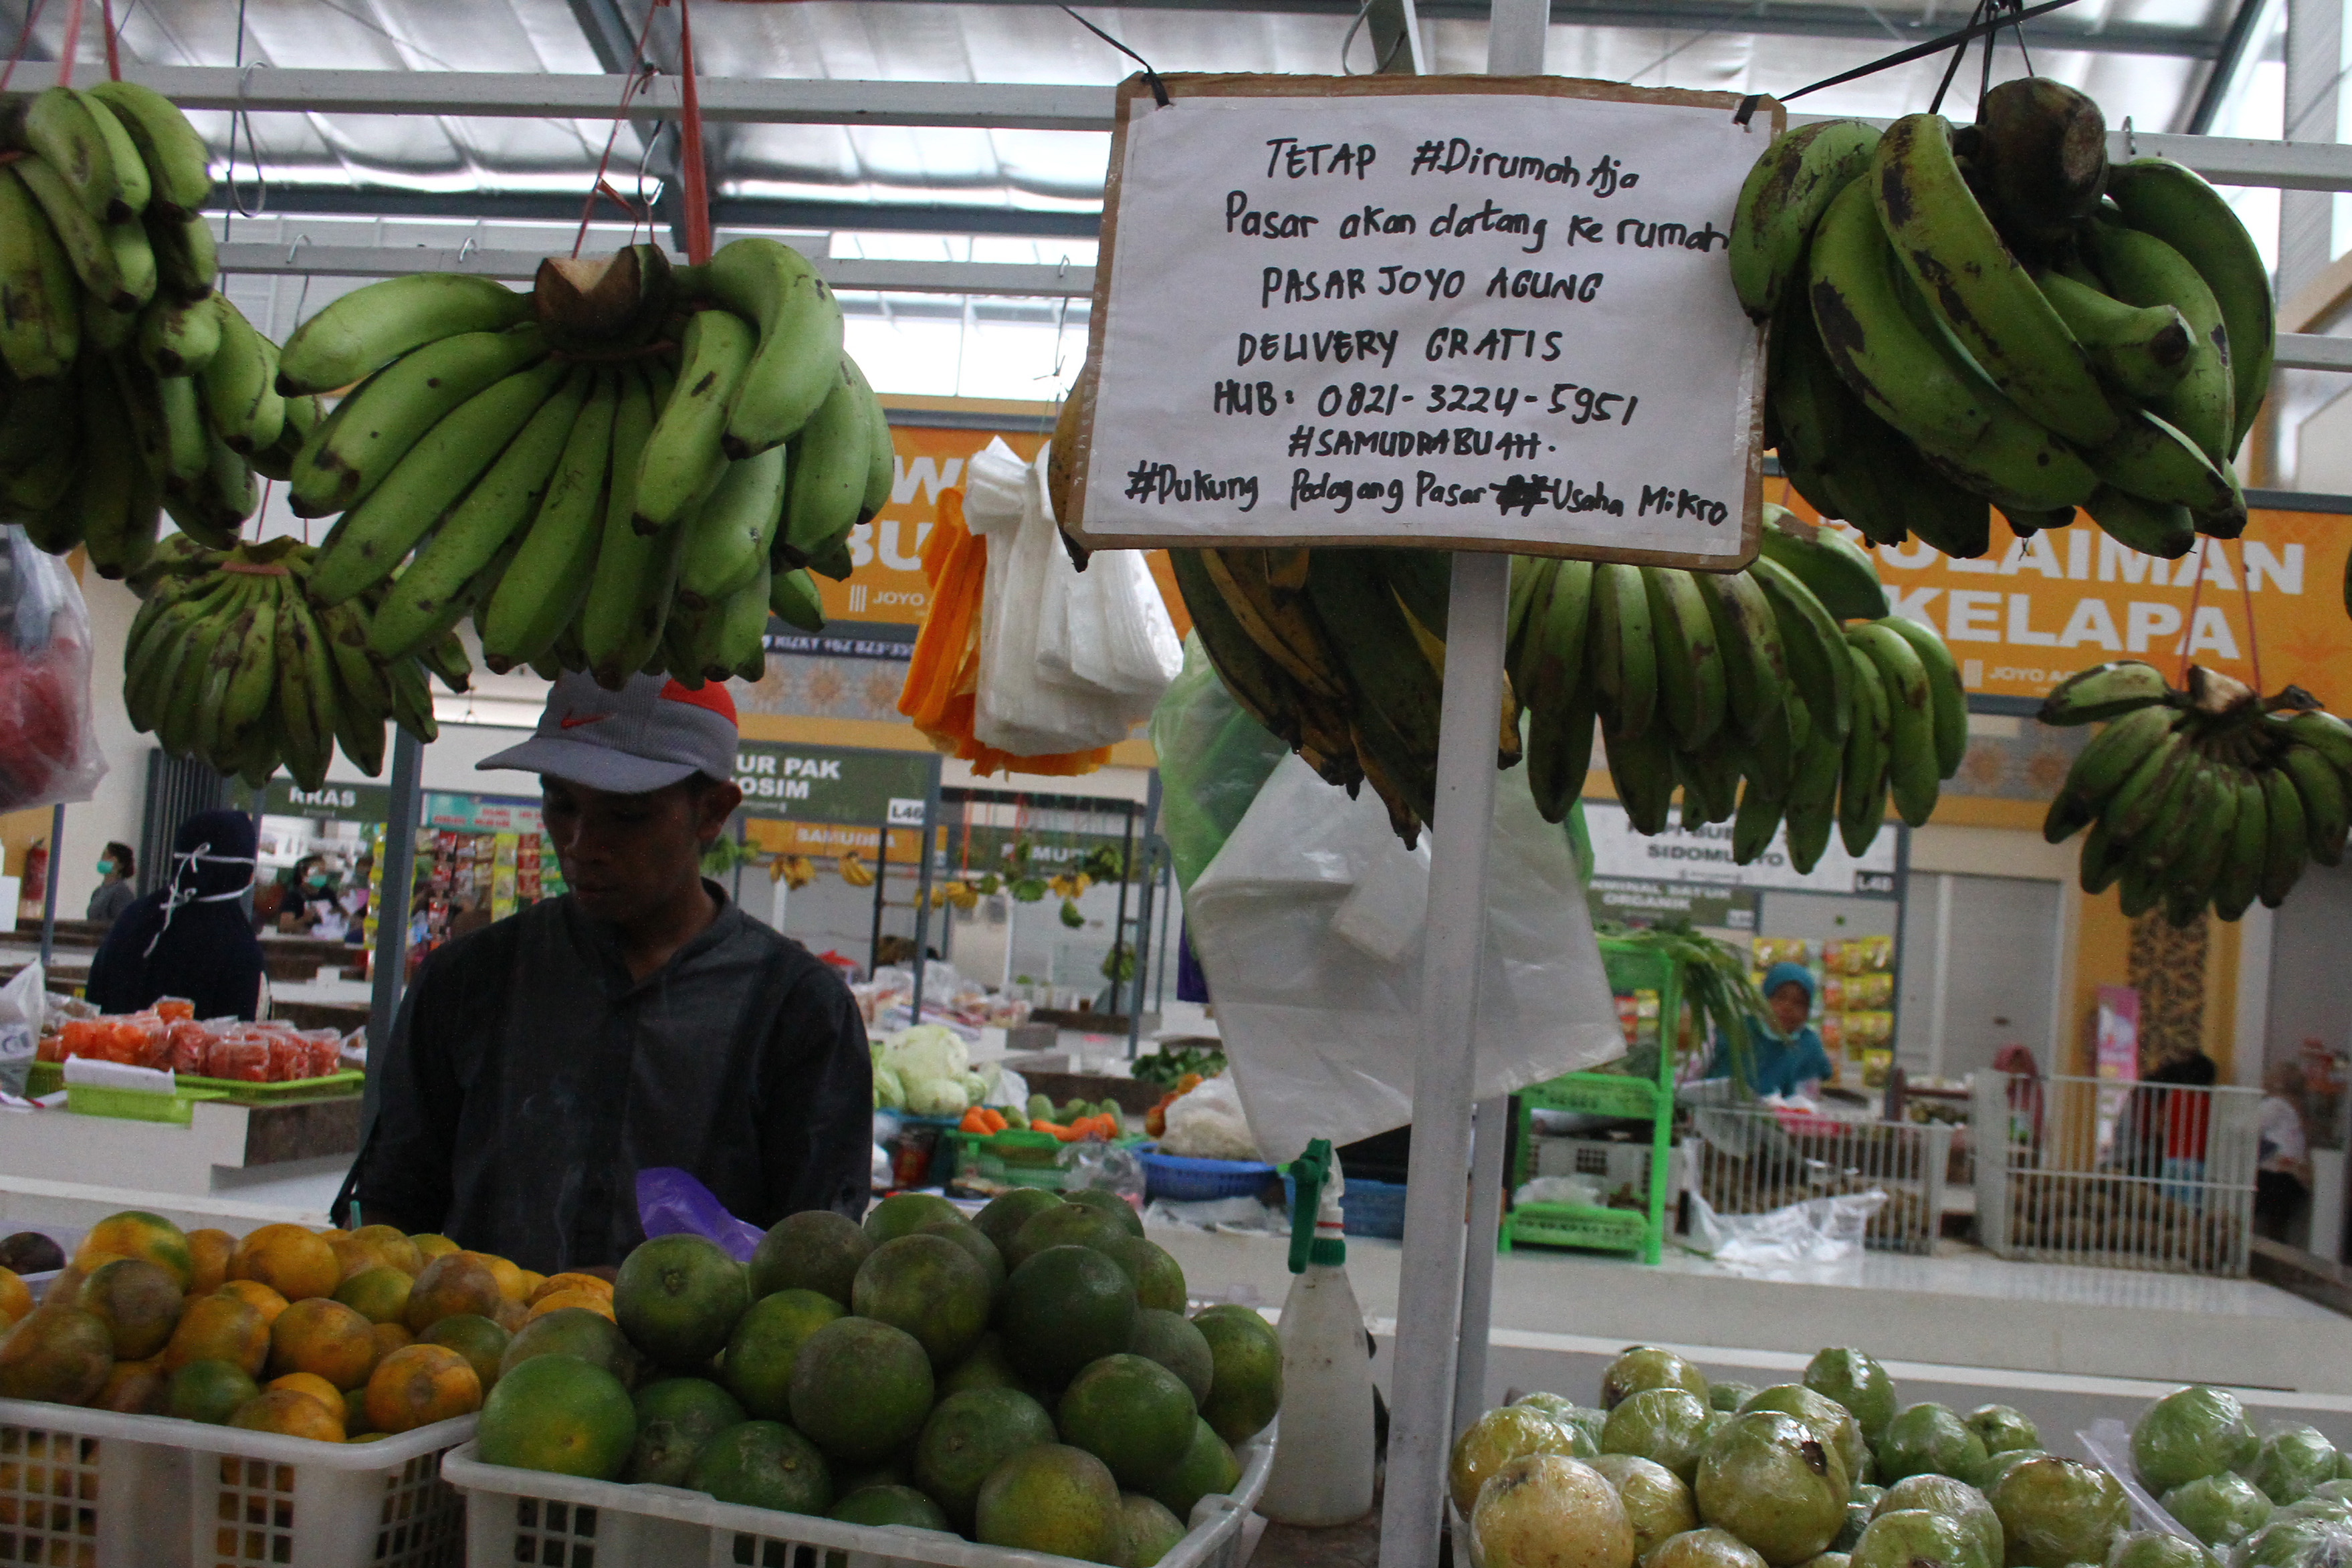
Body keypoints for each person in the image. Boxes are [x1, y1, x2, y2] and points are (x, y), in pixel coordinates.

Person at [346, 673, 872, 1272]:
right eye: (560, 803)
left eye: (626, 814)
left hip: (696, 1366)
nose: (580, 843)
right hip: (474, 1357)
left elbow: (817, 1257)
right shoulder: (467, 979)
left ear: (712, 812)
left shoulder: (800, 1011)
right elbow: (394, 1209)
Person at [85, 811, 265, 1021]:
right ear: (245, 871)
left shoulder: (136, 917)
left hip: (109, 1051)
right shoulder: (237, 942)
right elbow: (240, 1040)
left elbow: (94, 1004)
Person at [1708, 960, 1833, 1098]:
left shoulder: (1809, 1047)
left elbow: (1805, 1104)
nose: (1788, 1008)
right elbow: (1690, 1073)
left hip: (1780, 1118)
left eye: (1799, 1003)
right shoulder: (1734, 1030)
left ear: (1807, 1012)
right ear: (1763, 1000)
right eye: (1780, 998)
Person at [2256, 1059, 2311, 1241]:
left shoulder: (2275, 1105)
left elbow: (2251, 1127)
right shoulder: (2297, 1108)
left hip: (2275, 1175)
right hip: (2293, 1176)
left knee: (2259, 1219)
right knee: (2279, 1226)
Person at [84, 842, 136, 927]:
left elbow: (122, 925)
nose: (103, 859)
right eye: (103, 856)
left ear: (121, 864)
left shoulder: (122, 893)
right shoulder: (98, 892)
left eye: (109, 857)